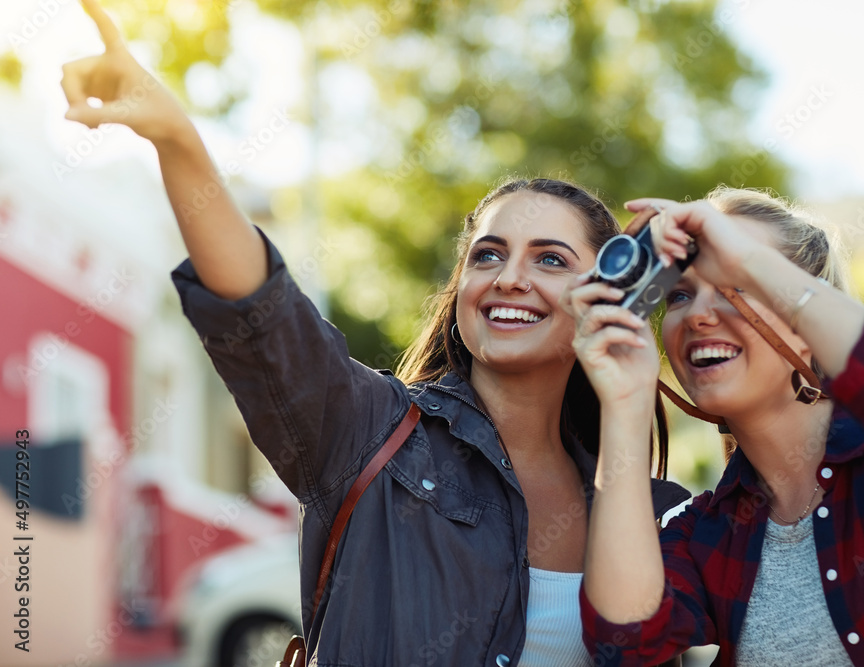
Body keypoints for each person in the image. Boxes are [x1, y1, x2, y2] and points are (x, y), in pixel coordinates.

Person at [59, 1, 690, 664]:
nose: (508, 277)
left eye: (551, 259)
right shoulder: (367, 431)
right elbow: (262, 316)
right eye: (488, 254)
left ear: (610, 291)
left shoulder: (656, 509)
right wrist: (176, 139)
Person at [565, 187, 864, 666]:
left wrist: (747, 257)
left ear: (808, 323)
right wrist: (624, 402)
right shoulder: (706, 531)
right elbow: (627, 644)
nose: (698, 315)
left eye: (737, 285)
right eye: (680, 294)